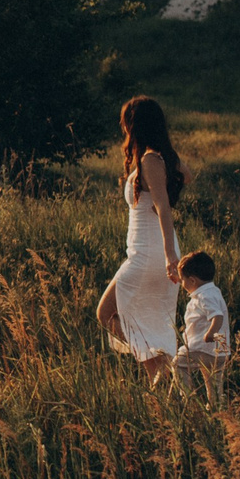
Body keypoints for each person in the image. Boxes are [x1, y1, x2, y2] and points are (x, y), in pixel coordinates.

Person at [95, 95, 185, 385]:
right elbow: (186, 175)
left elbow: (163, 207)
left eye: (125, 123)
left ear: (134, 125)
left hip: (150, 254)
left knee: (106, 313)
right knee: (147, 318)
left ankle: (161, 366)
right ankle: (160, 375)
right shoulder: (156, 159)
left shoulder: (149, 160)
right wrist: (169, 162)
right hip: (150, 250)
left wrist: (171, 256)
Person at [172, 249, 232, 397]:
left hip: (204, 347)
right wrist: (178, 278)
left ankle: (188, 398)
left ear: (192, 280)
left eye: (183, 279)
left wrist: (211, 332)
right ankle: (215, 410)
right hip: (220, 350)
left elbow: (217, 316)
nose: (182, 283)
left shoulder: (203, 296)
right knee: (214, 386)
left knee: (178, 364)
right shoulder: (213, 291)